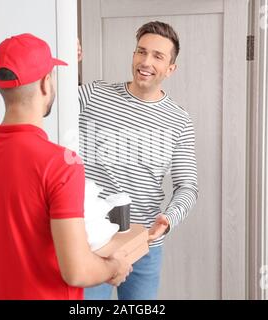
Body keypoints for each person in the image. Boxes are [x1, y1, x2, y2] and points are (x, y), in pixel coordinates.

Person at [0, 33, 132, 300]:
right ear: (45, 84)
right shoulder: (62, 164)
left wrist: (4, 262)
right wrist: (115, 266)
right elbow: (76, 272)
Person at [78, 21, 199, 300]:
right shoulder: (95, 94)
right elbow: (47, 104)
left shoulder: (179, 120)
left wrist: (168, 219)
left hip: (145, 244)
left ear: (171, 69)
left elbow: (187, 186)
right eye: (140, 51)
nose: (145, 61)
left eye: (158, 56)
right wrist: (65, 64)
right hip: (92, 240)